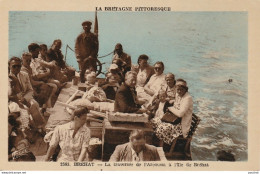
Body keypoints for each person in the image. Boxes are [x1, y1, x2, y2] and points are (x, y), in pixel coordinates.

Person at [151, 79, 193, 146]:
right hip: (174, 119)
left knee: (161, 128)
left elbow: (180, 114)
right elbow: (177, 103)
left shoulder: (187, 98)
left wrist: (170, 108)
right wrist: (171, 100)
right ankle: (157, 142)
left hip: (180, 124)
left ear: (186, 89)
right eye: (178, 89)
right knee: (154, 121)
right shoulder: (178, 94)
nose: (179, 91)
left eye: (181, 89)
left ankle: (161, 146)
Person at [8, 57, 46, 130]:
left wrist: (25, 99)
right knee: (24, 109)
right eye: (14, 66)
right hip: (13, 101)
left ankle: (40, 127)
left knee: (33, 104)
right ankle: (29, 129)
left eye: (18, 66)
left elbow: (30, 90)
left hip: (26, 97)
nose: (16, 68)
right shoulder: (7, 78)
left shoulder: (24, 75)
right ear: (9, 66)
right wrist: (20, 100)